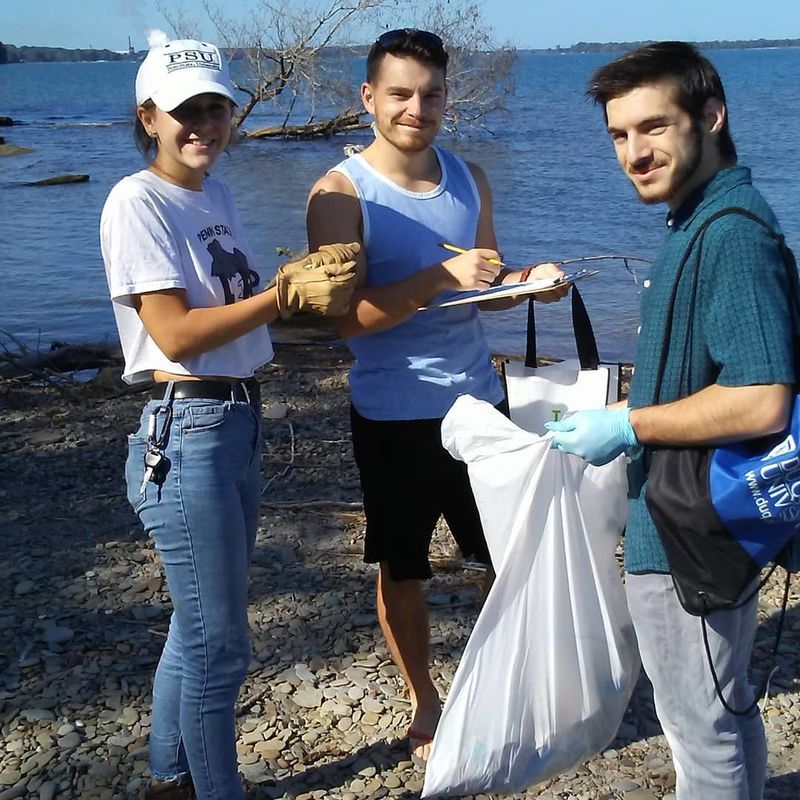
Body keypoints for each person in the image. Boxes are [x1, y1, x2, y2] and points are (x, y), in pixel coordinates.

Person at [99, 38, 359, 800]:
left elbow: (234, 314)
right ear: (149, 117)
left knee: (198, 624)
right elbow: (176, 334)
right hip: (188, 431)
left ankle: (169, 777)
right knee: (221, 646)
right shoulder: (136, 201)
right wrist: (282, 296)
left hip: (237, 419)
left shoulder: (213, 193)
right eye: (186, 112)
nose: (205, 124)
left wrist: (295, 289)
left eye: (216, 106)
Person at [305, 28, 566, 763]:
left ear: (447, 96)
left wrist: (530, 283)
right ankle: (426, 701)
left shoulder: (468, 176)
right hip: (394, 413)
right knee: (405, 567)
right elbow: (342, 318)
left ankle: (504, 684)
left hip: (479, 404)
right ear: (369, 98)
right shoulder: (339, 194)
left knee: (509, 558)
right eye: (400, 93)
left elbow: (484, 295)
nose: (416, 108)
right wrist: (437, 281)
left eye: (431, 93)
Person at [547, 41, 798, 800]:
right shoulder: (697, 221)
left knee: (701, 735)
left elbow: (762, 399)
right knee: (725, 714)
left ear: (712, 115)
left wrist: (630, 427)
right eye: (620, 135)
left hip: (687, 534)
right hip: (697, 520)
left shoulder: (729, 236)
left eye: (653, 127)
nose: (634, 152)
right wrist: (630, 410)